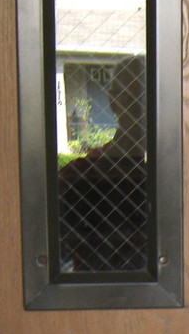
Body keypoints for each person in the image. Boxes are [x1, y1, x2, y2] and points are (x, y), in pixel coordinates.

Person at [57, 55, 151, 273]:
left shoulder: (77, 176)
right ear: (113, 102)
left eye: (150, 101)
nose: (144, 113)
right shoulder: (76, 178)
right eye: (135, 100)